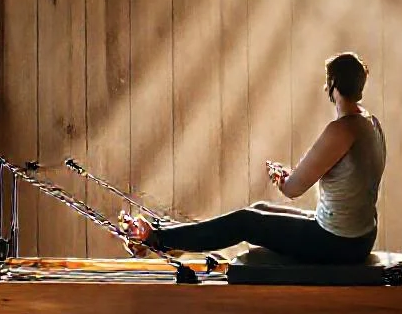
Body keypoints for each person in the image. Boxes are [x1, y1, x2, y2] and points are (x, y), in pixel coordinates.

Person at [121, 52, 386, 265]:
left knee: (245, 222)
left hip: (339, 242)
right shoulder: (371, 123)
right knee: (259, 208)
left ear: (333, 85)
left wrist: (283, 180)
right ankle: (170, 238)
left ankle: (156, 238)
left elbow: (293, 190)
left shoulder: (341, 129)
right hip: (361, 236)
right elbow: (347, 178)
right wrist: (290, 177)